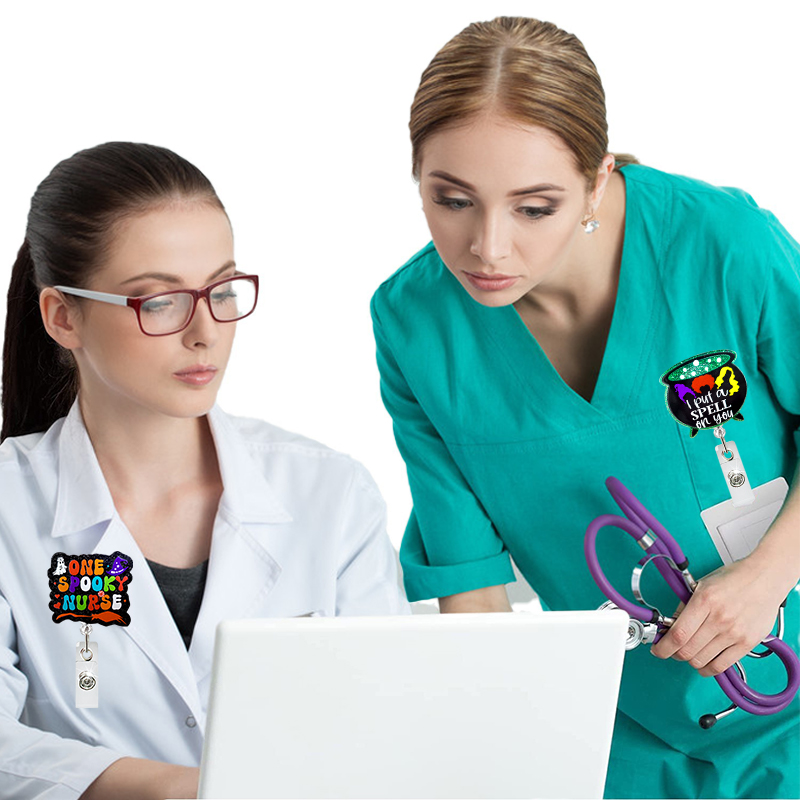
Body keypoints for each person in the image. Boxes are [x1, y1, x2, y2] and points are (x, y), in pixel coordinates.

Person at [370, 16, 799, 799]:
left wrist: (767, 577)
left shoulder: (722, 245)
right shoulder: (415, 324)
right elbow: (473, 591)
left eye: (534, 208)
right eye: (452, 200)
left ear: (597, 179)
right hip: (621, 736)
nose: (487, 247)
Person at [0, 141, 409, 800]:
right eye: (160, 301)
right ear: (63, 316)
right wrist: (183, 789)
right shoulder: (9, 507)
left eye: (220, 291)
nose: (206, 332)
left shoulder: (330, 495)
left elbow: (391, 718)